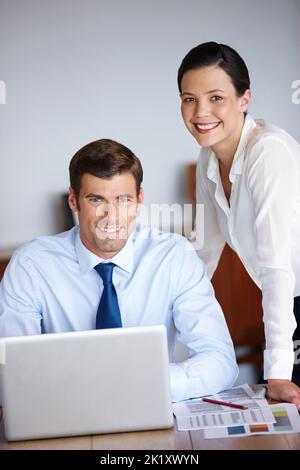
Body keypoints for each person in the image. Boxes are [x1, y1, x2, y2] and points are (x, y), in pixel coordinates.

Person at [0, 138, 238, 402]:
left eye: (123, 199)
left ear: (139, 200)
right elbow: (12, 372)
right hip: (64, 413)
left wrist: (144, 385)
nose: (111, 215)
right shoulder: (31, 266)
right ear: (73, 200)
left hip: (152, 404)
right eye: (96, 199)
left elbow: (221, 361)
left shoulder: (174, 257)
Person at [177, 41, 300, 408]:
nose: (201, 112)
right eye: (189, 99)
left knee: (283, 408)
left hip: (289, 293)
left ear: (244, 99)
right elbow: (203, 255)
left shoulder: (267, 152)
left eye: (216, 97)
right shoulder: (208, 158)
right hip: (287, 301)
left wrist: (277, 373)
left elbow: (277, 266)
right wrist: (167, 337)